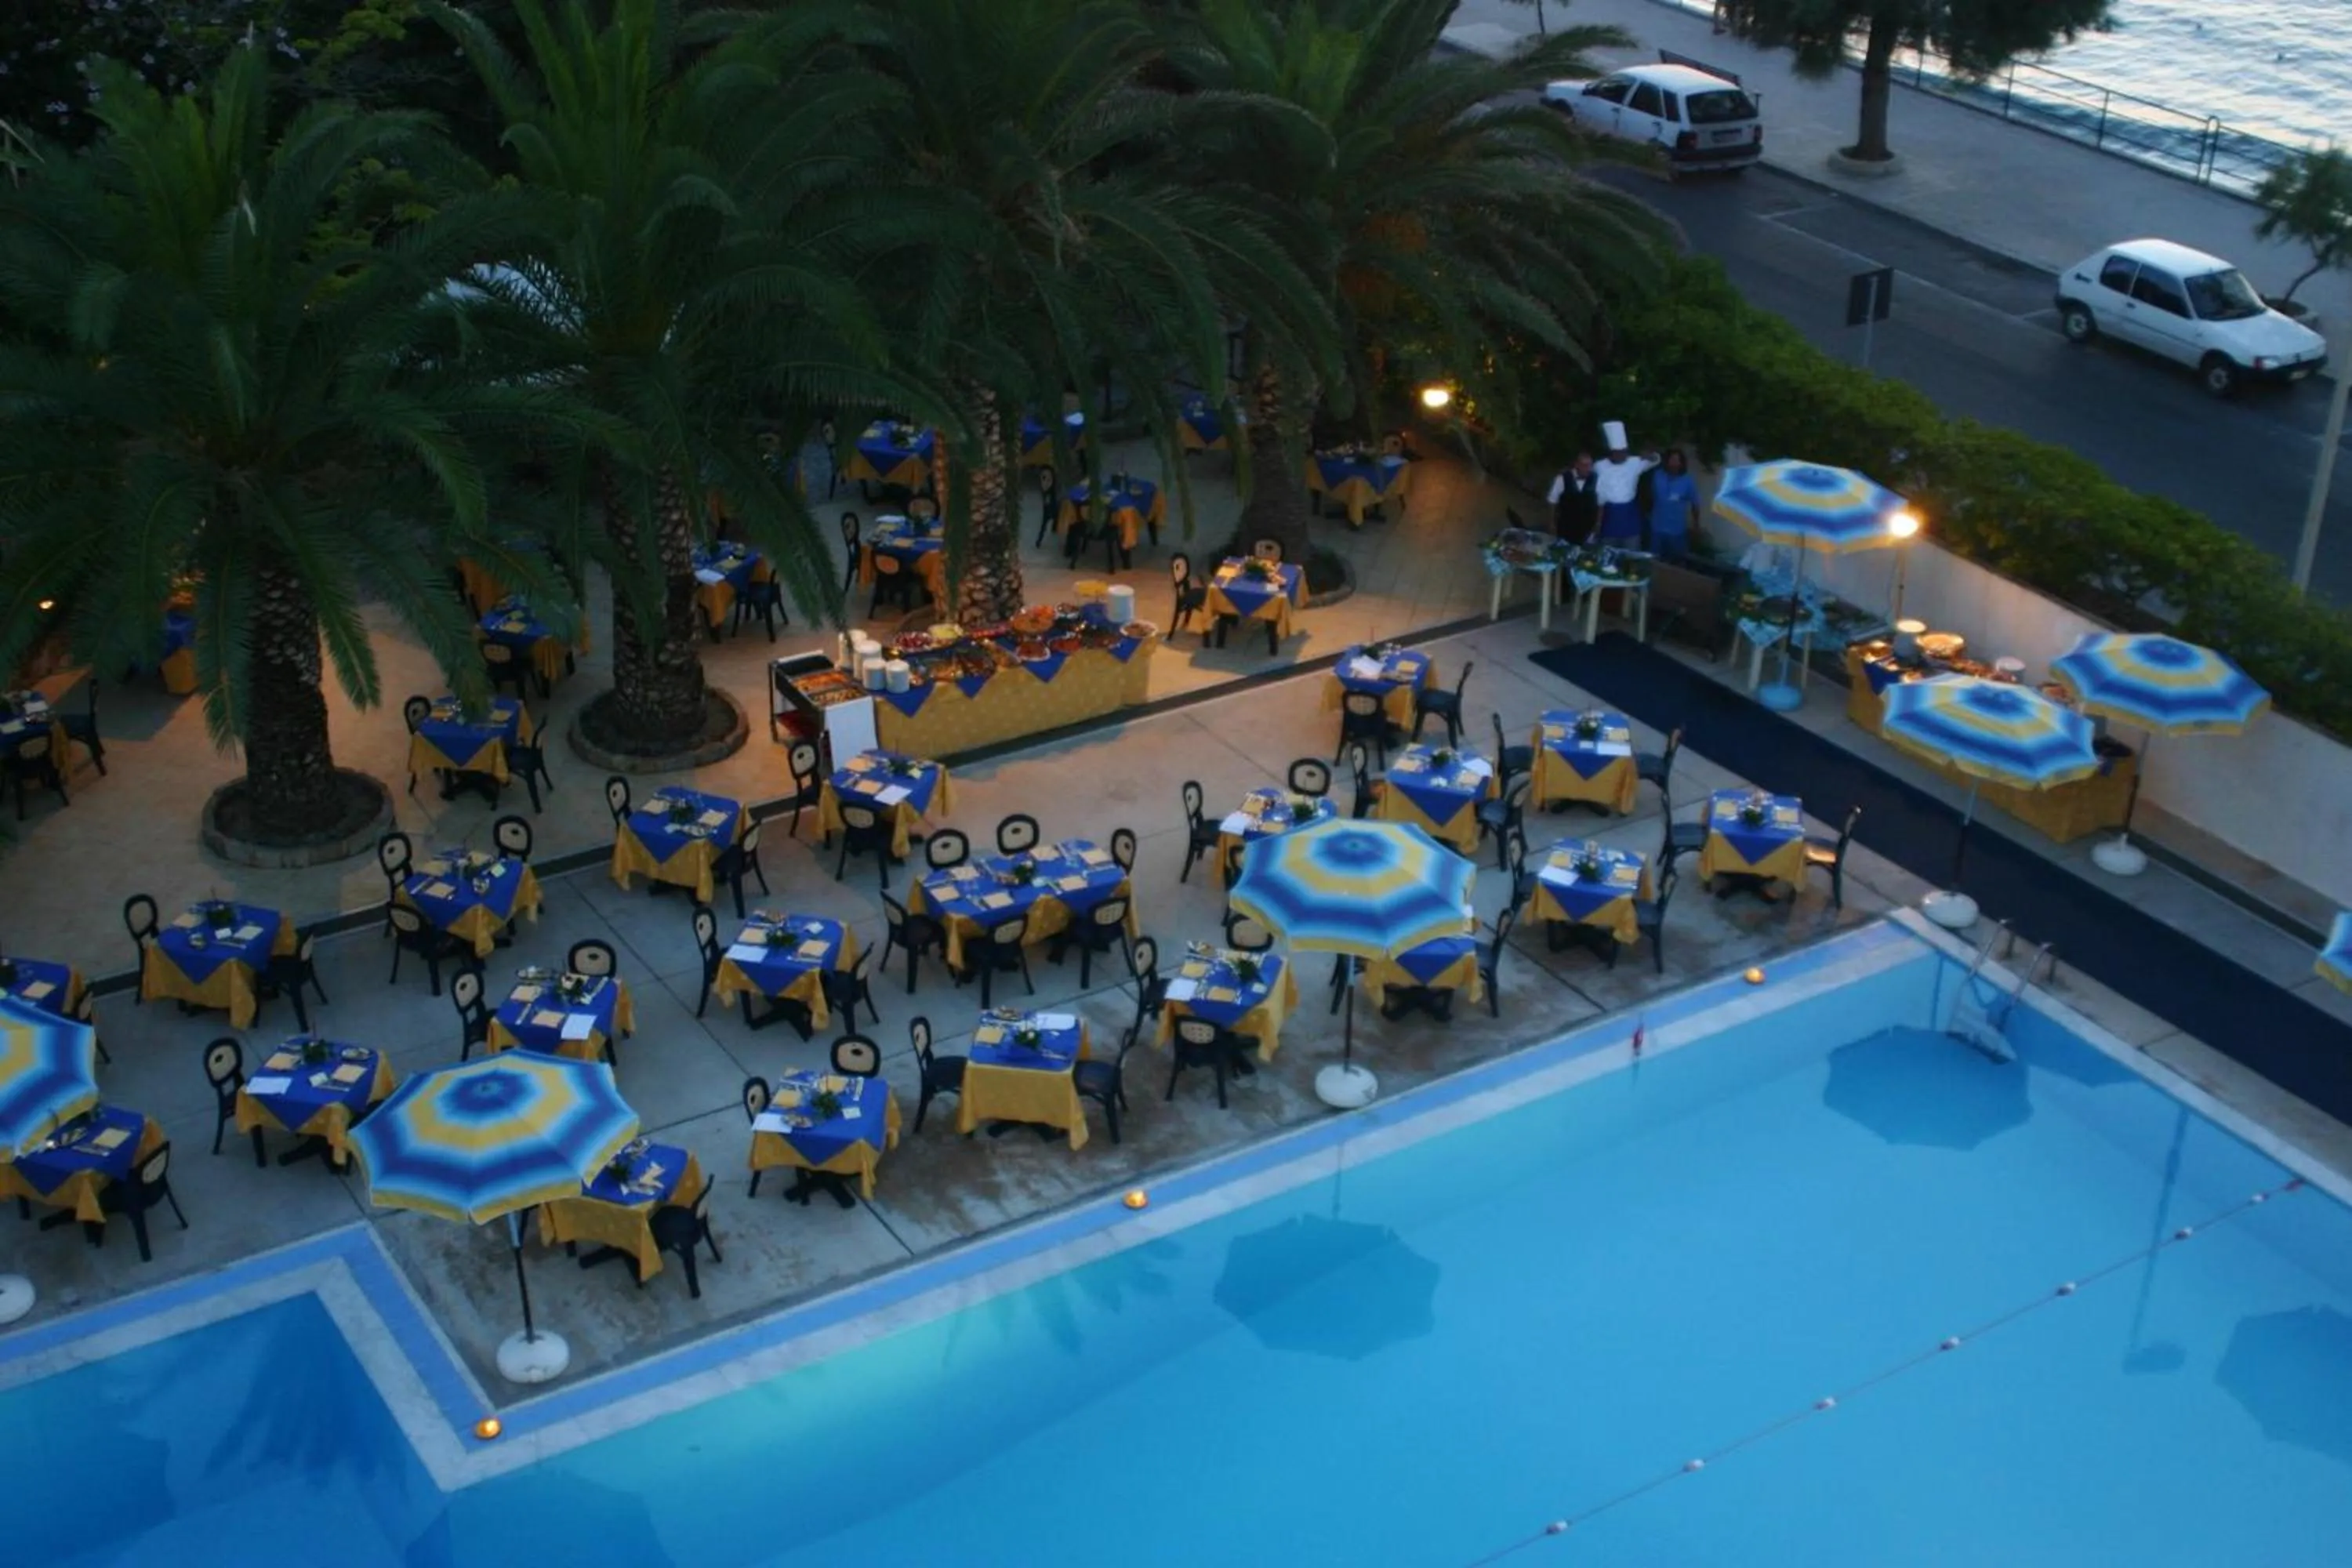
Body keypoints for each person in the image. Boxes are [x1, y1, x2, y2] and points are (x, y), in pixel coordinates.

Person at [1592, 422, 1657, 546]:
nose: (1622, 455)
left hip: (1629, 514)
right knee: (1609, 551)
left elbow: (1656, 460)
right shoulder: (1600, 466)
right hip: (1609, 515)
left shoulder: (1634, 462)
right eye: (1618, 452)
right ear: (1612, 452)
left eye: (1624, 452)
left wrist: (1650, 455)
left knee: (1632, 552)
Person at [1646, 448, 1700, 560]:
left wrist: (1696, 524)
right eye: (1672, 459)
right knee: (1654, 562)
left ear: (1681, 463)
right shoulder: (1657, 475)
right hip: (1657, 529)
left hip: (1677, 531)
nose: (1674, 463)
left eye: (1677, 460)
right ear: (1667, 461)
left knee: (1678, 563)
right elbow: (1650, 495)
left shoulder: (1687, 481)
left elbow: (1695, 503)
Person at [1545, 452, 1598, 542]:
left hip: (1587, 527)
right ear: (1577, 465)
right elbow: (1552, 501)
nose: (1588, 469)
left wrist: (1597, 525)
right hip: (1566, 526)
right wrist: (1551, 523)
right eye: (1585, 465)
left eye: (1590, 465)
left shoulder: (1595, 479)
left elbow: (1600, 503)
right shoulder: (1562, 478)